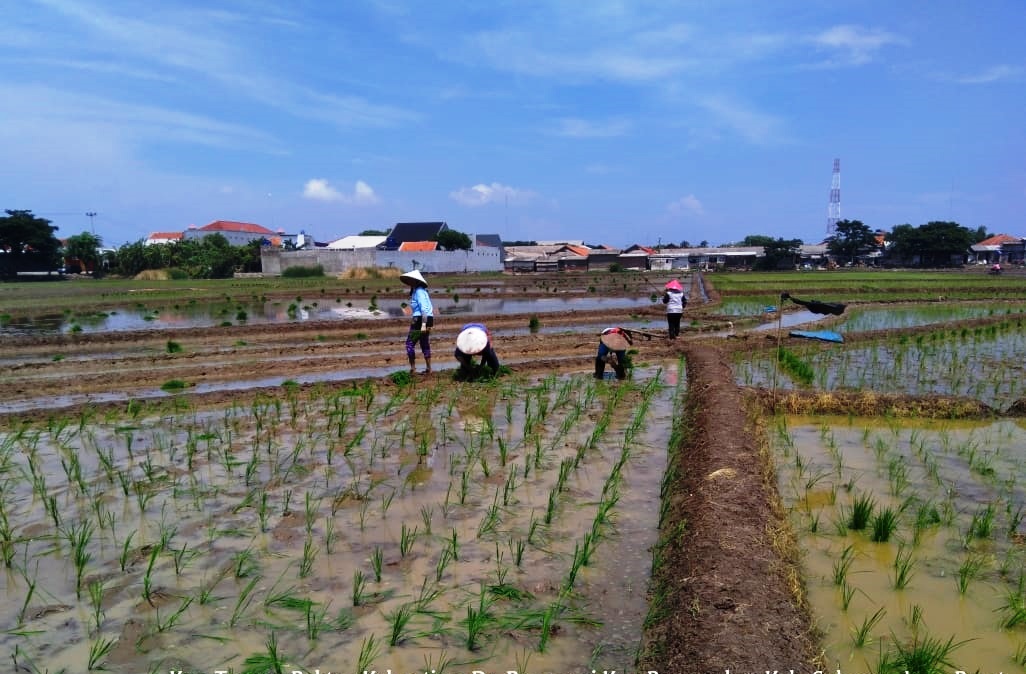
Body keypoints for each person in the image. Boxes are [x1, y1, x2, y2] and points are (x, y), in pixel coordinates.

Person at [400, 269, 434, 373]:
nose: (409, 282)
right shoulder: (420, 291)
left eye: (411, 280)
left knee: (409, 344)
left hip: (420, 320)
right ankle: (428, 368)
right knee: (424, 343)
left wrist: (423, 324)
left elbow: (423, 308)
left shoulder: (419, 291)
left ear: (416, 281)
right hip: (427, 319)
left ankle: (413, 368)